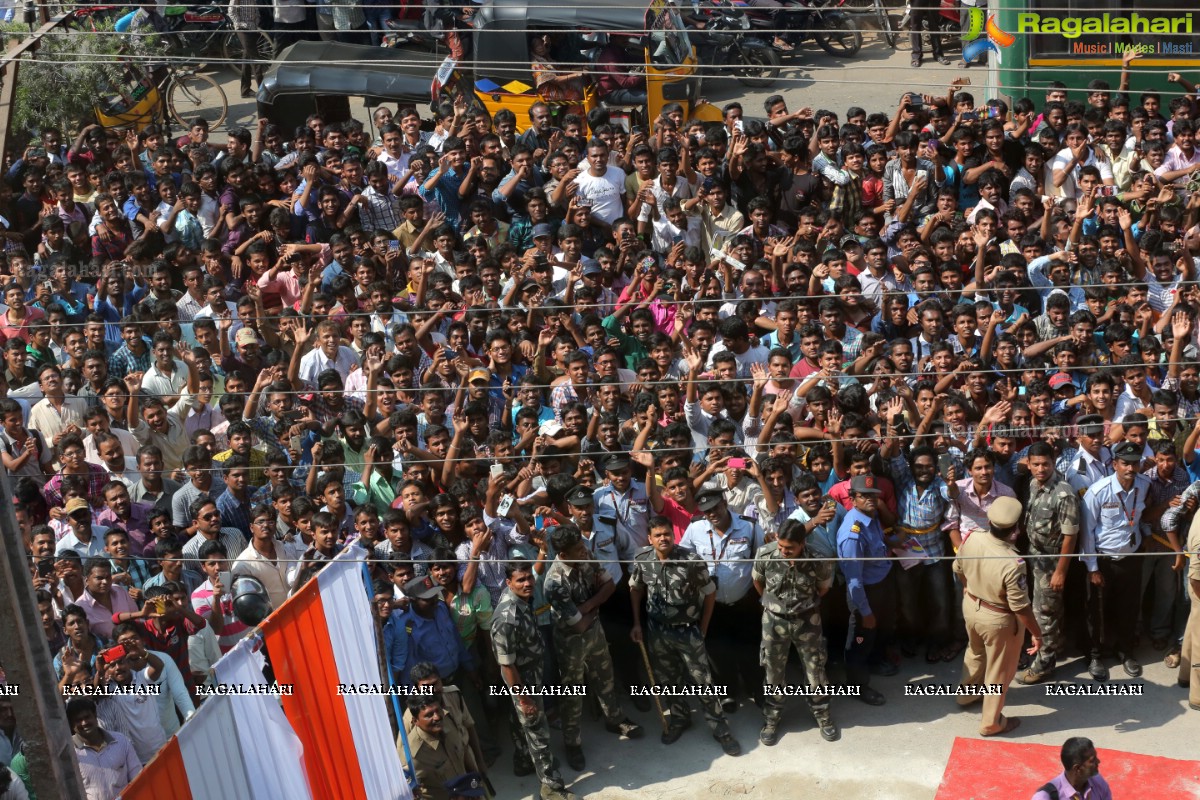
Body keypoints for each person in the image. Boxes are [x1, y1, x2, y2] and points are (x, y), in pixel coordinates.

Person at [628, 516, 740, 756]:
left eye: (667, 533)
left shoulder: (691, 560)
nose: (663, 538)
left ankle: (720, 728)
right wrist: (637, 623)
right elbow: (635, 589)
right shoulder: (642, 559)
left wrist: (704, 627)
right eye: (657, 535)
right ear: (650, 539)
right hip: (657, 631)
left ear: (673, 535)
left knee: (703, 681)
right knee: (668, 680)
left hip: (688, 630)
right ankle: (679, 718)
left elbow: (709, 593)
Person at [543, 524, 642, 770]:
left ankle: (615, 719)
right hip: (571, 643)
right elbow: (578, 626)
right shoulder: (554, 583)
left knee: (605, 676)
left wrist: (589, 605)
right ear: (564, 555)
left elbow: (609, 587)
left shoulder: (585, 556)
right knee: (573, 693)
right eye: (578, 548)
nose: (585, 550)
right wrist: (594, 605)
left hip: (595, 632)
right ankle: (572, 743)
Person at [954, 496, 1043, 736]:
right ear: (1016, 529)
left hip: (971, 605)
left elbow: (958, 569)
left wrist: (970, 587)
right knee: (999, 671)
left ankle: (967, 694)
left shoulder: (972, 538)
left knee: (975, 651)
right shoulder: (1013, 563)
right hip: (998, 618)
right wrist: (1036, 634)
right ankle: (991, 722)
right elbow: (1020, 607)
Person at [490, 562, 577, 800]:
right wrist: (524, 698)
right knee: (538, 732)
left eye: (529, 578)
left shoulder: (522, 601)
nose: (527, 583)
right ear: (509, 583)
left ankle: (523, 761)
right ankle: (551, 787)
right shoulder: (507, 617)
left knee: (520, 724)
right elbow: (506, 665)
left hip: (531, 673)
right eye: (520, 580)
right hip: (522, 680)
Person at [753, 517, 839, 745]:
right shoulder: (764, 554)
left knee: (815, 669)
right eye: (780, 546)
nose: (783, 551)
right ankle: (771, 720)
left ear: (802, 544)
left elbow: (823, 588)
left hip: (807, 621)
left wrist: (802, 605)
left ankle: (823, 716)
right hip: (773, 622)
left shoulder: (818, 560)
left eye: (789, 548)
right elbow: (758, 583)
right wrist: (774, 604)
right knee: (773, 672)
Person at [1081, 440, 1151, 681]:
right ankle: (1095, 655)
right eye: (1125, 464)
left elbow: (1142, 517)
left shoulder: (1145, 485)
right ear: (1115, 465)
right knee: (1097, 611)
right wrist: (1092, 568)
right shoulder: (1098, 492)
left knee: (1129, 608)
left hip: (1131, 558)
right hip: (1103, 560)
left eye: (1134, 463)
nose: (1130, 469)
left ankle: (1126, 651)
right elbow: (1087, 533)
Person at [1017, 441, 1081, 685]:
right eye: (1036, 464)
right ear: (1029, 465)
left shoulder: (1063, 493)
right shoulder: (1033, 484)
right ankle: (1053, 647)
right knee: (1049, 609)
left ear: (1053, 463)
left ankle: (1044, 665)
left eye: (1046, 464)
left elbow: (1070, 535)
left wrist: (1061, 571)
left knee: (1043, 612)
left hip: (1052, 561)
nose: (1041, 469)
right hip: (1034, 554)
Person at [835, 474, 898, 706]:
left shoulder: (870, 517)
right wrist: (866, 611)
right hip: (865, 595)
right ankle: (857, 686)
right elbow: (853, 580)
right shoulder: (853, 532)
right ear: (853, 498)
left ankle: (874, 663)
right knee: (859, 641)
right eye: (864, 496)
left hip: (880, 585)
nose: (871, 499)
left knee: (873, 636)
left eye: (874, 495)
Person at [67, 697, 142, 800]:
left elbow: (138, 777)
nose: (84, 723)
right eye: (78, 720)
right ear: (71, 725)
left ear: (95, 715)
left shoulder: (121, 741)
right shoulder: (69, 753)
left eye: (87, 717)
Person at [407, 695, 479, 800]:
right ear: (415, 721)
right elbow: (411, 792)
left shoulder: (448, 722)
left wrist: (475, 784)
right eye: (429, 715)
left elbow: (464, 752)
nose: (437, 717)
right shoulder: (413, 754)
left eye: (438, 710)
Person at [1031, 737, 1112, 800]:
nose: (1098, 761)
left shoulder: (1098, 782)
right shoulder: (1045, 797)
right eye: (1092, 760)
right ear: (1077, 768)